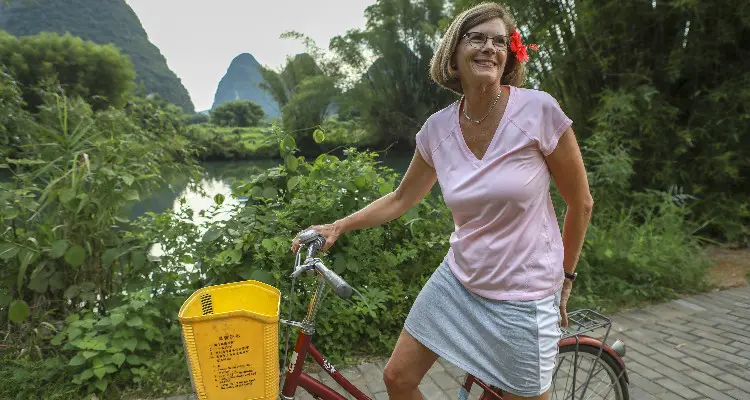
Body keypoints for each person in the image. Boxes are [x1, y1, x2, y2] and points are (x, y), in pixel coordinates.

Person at [291, 2, 593, 400]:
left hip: (525, 293)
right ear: (454, 53)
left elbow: (581, 202)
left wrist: (566, 278)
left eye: (499, 41)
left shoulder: (538, 110)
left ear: (508, 56)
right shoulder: (437, 129)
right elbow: (401, 198)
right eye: (477, 38)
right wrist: (338, 226)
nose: (489, 48)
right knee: (398, 378)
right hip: (460, 281)